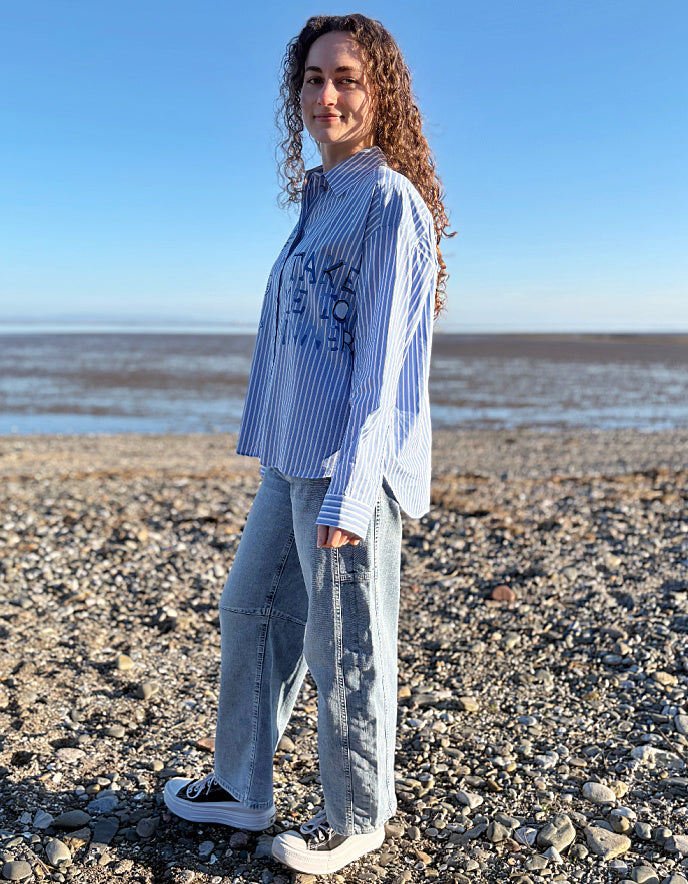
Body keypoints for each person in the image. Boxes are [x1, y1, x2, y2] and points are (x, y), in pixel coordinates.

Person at [164, 13, 452, 875]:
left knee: (345, 644)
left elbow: (385, 368)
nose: (328, 94)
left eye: (347, 78)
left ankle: (357, 816)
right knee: (250, 610)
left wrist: (354, 492)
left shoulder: (388, 203)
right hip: (291, 458)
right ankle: (243, 788)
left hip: (343, 468)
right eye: (314, 78)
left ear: (380, 93)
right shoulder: (320, 201)